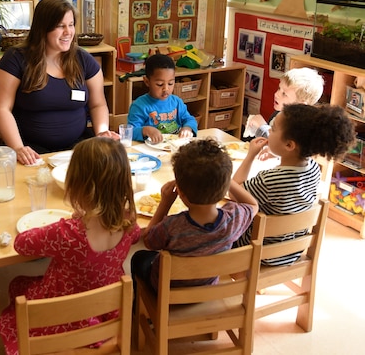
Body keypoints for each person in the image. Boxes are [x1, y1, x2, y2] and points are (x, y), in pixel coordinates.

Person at [0, 137, 141, 354]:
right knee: (22, 285)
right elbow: (138, 236)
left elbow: (21, 245)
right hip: (105, 310)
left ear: (78, 185)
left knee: (18, 288)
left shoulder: (68, 233)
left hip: (60, 314)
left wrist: (70, 222)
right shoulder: (129, 223)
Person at [0, 0, 118, 166]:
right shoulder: (15, 59)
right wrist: (18, 148)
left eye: (71, 25)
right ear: (43, 29)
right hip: (32, 151)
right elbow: (1, 108)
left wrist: (102, 131)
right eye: (60, 26)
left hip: (77, 148)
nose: (68, 32)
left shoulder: (83, 59)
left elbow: (98, 104)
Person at [231, 103, 355, 265]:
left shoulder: (270, 180)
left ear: (289, 145)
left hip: (257, 252)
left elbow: (233, 192)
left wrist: (250, 156)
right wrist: (278, 154)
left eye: (273, 129)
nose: (269, 132)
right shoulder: (313, 168)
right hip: (291, 251)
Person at [131, 138, 258, 291]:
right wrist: (225, 179)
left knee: (139, 258)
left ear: (181, 193)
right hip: (207, 286)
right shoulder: (234, 218)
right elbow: (252, 204)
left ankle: (137, 308)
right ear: (224, 189)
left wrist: (165, 203)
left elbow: (149, 241)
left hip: (167, 288)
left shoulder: (172, 226)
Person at [127, 54, 197, 143]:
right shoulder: (139, 106)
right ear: (147, 81)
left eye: (170, 83)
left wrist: (188, 128)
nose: (166, 89)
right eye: (160, 84)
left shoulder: (177, 102)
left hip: (174, 147)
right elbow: (130, 131)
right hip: (151, 150)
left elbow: (190, 119)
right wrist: (145, 130)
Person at [244, 67, 324, 141]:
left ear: (300, 105)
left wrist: (262, 127)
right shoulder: (278, 114)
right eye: (279, 88)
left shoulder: (300, 127)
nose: (276, 94)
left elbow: (280, 147)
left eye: (284, 94)